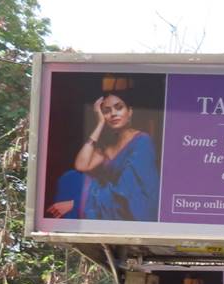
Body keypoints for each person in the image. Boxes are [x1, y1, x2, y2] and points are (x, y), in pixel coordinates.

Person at [48, 89, 160, 221]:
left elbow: (130, 190)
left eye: (119, 108)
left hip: (127, 205)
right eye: (106, 111)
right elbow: (81, 165)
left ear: (129, 112)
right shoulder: (108, 145)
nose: (113, 114)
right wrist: (99, 124)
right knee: (71, 178)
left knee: (75, 187)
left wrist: (78, 203)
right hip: (107, 200)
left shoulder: (142, 141)